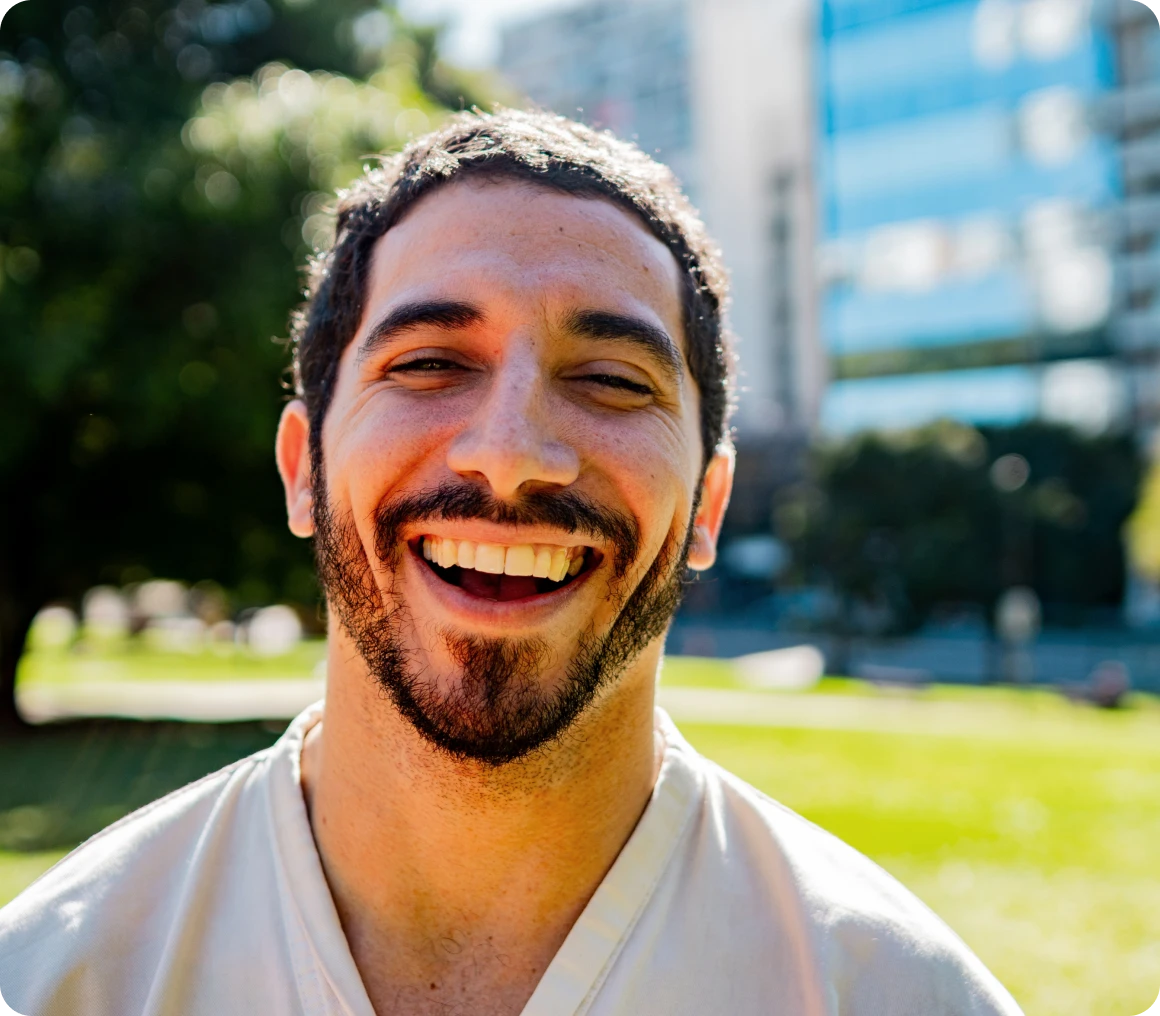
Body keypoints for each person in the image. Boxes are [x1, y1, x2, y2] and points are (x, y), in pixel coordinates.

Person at [0, 109, 1023, 1016]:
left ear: (706, 506)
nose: (512, 453)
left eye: (612, 379)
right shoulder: (57, 976)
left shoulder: (895, 993)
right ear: (303, 470)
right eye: (429, 363)